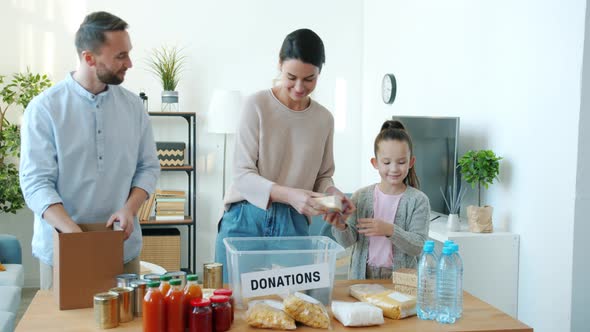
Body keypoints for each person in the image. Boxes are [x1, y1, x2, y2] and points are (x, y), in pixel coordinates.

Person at [19, 11, 160, 290]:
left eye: (128, 53)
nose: (129, 63)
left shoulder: (133, 107)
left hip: (122, 249)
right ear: (89, 58)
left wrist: (130, 209)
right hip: (63, 250)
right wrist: (75, 237)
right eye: (120, 56)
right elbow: (35, 182)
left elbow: (148, 167)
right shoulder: (45, 108)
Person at [215, 28, 355, 281]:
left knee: (295, 306)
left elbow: (323, 176)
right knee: (232, 309)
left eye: (309, 79)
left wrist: (332, 194)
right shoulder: (256, 105)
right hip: (245, 219)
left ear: (319, 73)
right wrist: (290, 195)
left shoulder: (324, 119)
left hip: (293, 223)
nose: (300, 87)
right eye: (291, 77)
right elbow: (242, 175)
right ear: (279, 64)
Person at [327, 120, 430, 279]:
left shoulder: (418, 200)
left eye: (401, 162)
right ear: (375, 163)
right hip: (362, 275)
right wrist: (340, 226)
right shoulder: (361, 196)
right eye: (386, 162)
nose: (394, 169)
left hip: (403, 279)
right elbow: (347, 242)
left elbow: (417, 246)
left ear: (411, 162)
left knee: (402, 306)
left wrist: (389, 230)